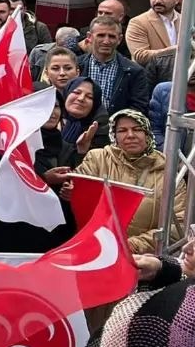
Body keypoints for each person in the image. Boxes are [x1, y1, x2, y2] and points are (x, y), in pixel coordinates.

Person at [70, 109, 186, 254]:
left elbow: (177, 227)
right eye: (122, 130)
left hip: (142, 262)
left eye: (137, 129)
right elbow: (78, 198)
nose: (130, 135)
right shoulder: (97, 159)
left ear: (148, 133)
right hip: (95, 252)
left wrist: (131, 246)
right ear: (114, 135)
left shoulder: (168, 172)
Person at [124, 0, 181, 67]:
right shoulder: (138, 22)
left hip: (185, 76)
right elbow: (141, 56)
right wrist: (177, 50)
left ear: (177, 0)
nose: (158, 0)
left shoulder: (185, 21)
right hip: (152, 79)